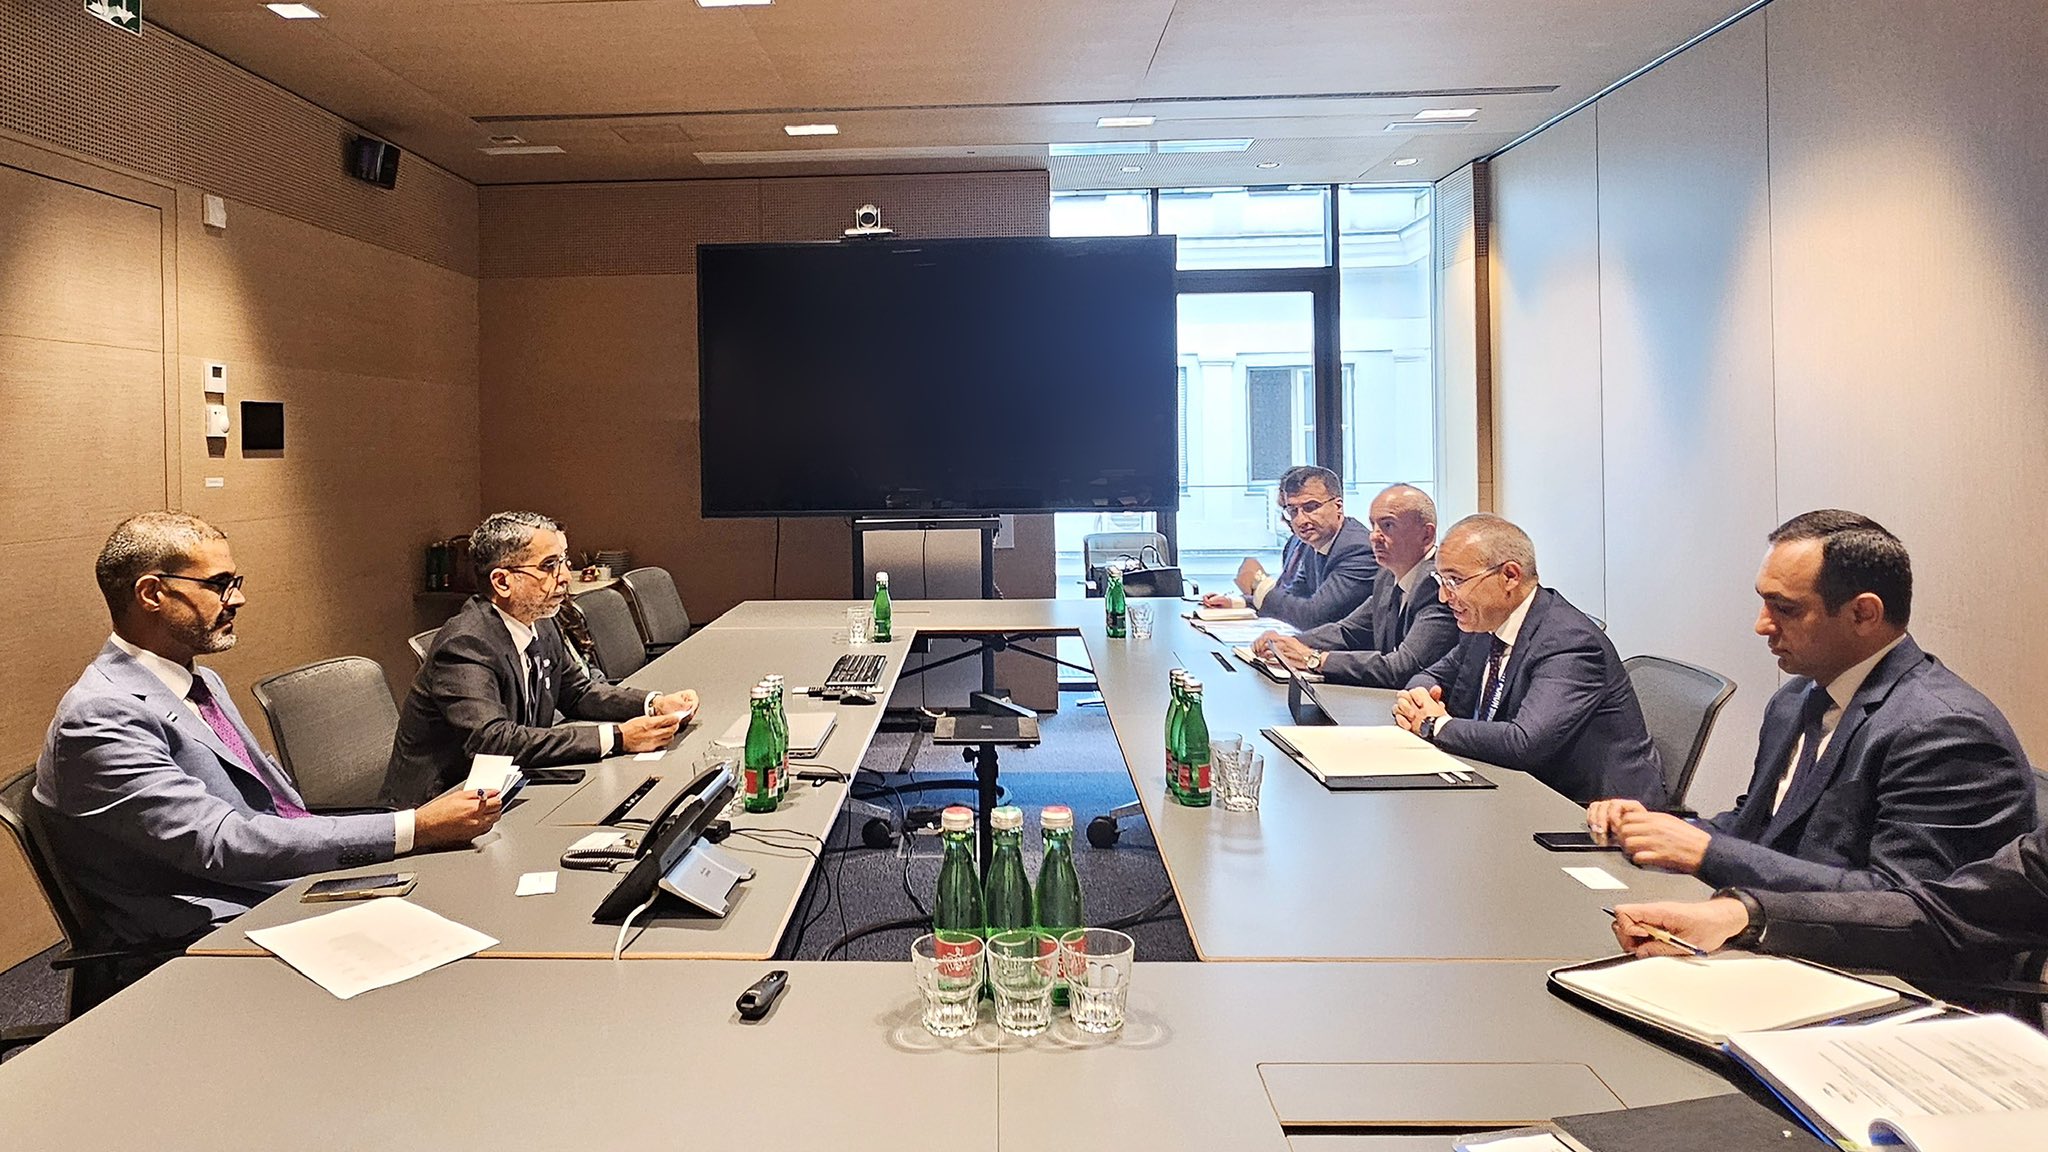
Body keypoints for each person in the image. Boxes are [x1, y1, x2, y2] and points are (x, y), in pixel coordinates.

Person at [32, 512, 503, 947]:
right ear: (152, 594)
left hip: (282, 885)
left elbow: (272, 806)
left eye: (234, 582)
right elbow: (221, 844)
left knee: (477, 903)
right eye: (219, 584)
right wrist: (414, 828)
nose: (237, 599)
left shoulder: (197, 680)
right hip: (209, 934)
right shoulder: (100, 716)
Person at [1586, 511, 2034, 892]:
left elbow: (1903, 902)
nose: (1762, 625)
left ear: (1863, 614)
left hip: (1868, 962)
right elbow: (1757, 825)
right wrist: (1657, 828)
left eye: (1785, 609)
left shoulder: (1945, 732)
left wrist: (1708, 853)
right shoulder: (1796, 698)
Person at [384, 511, 698, 808]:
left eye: (564, 561)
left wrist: (653, 704)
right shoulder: (466, 644)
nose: (565, 577)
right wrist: (618, 738)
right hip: (440, 809)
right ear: (502, 582)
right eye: (549, 566)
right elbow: (493, 741)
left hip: (509, 788)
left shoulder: (542, 622)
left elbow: (577, 693)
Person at [1392, 514, 1664, 805]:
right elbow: (1430, 675)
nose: (1444, 597)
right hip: (1515, 785)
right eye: (1441, 580)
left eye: (1455, 581)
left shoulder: (1569, 642)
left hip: (1593, 810)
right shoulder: (1487, 624)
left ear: (1510, 576)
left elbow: (1524, 742)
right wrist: (1419, 698)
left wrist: (1433, 724)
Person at [1610, 821, 2048, 983]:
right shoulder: (1796, 701)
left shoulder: (1945, 723)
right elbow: (1942, 914)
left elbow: (1892, 884)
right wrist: (1744, 914)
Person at [1251, 483, 1457, 687]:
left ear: (1426, 535)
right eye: (1373, 525)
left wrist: (1314, 659)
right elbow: (1347, 631)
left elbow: (1401, 668)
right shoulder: (1387, 575)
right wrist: (1288, 644)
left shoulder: (1439, 585)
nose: (1374, 536)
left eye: (1388, 525)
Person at [1201, 465, 1378, 629]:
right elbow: (1293, 598)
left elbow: (1314, 617)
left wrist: (1259, 583)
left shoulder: (1358, 550)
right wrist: (1238, 603)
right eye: (1293, 511)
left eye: (1310, 507)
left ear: (1338, 506)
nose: (1300, 520)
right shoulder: (1312, 544)